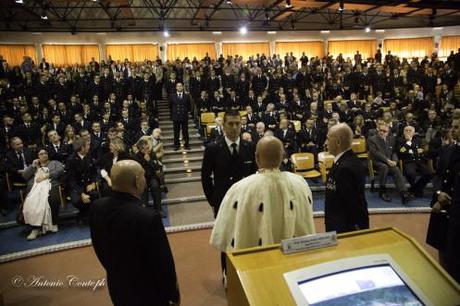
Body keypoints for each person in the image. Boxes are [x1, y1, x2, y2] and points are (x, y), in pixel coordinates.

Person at [89, 160, 180, 306]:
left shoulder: (97, 207)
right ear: (137, 181)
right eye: (143, 175)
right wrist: (173, 295)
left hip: (117, 287)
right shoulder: (148, 217)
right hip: (149, 294)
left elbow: (98, 245)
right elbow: (163, 263)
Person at [210, 136, 315, 252]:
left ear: (256, 157)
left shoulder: (240, 189)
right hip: (295, 260)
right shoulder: (300, 183)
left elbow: (223, 237)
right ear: (283, 156)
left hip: (255, 261)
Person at [202, 110, 257, 218]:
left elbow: (253, 173)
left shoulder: (250, 146)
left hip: (245, 199)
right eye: (231, 124)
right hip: (223, 199)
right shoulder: (213, 148)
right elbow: (205, 177)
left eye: (237, 123)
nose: (234, 127)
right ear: (224, 125)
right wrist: (213, 199)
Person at [324, 123, 369, 233]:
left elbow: (355, 203)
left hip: (345, 229)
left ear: (338, 142)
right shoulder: (344, 161)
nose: (325, 143)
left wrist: (358, 229)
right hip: (339, 224)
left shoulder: (346, 168)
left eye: (328, 139)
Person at [22, 148, 64, 240]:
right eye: (41, 154)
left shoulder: (54, 163)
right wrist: (32, 166)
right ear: (37, 156)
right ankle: (35, 229)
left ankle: (53, 223)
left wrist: (46, 175)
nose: (44, 155)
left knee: (52, 199)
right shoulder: (35, 165)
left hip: (51, 184)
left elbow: (60, 170)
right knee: (31, 202)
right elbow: (25, 176)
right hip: (36, 187)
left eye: (45, 153)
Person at [368, 122, 411, 204]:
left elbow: (394, 152)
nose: (382, 132)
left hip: (389, 161)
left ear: (388, 132)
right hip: (377, 161)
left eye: (385, 131)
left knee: (395, 169)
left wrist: (394, 161)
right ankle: (382, 191)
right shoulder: (372, 139)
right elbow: (375, 153)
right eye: (381, 130)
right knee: (384, 167)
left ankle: (404, 193)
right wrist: (388, 161)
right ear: (378, 130)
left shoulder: (391, 139)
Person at [65, 138, 99, 222]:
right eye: (87, 145)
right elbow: (71, 181)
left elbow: (94, 173)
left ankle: (87, 215)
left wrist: (93, 183)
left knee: (95, 195)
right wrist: (82, 193)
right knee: (77, 200)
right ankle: (85, 214)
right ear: (82, 148)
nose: (89, 146)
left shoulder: (89, 156)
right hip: (76, 186)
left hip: (88, 184)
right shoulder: (71, 160)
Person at [397, 126, 433, 197]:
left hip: (419, 161)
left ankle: (415, 189)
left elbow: (423, 150)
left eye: (410, 130)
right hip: (408, 161)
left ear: (413, 132)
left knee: (429, 173)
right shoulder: (399, 140)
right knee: (410, 173)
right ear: (403, 132)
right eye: (406, 130)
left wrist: (411, 151)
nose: (408, 132)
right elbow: (401, 151)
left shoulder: (418, 140)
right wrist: (408, 143)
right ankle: (417, 189)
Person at [134, 138, 164, 217]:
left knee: (155, 186)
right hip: (142, 177)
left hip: (152, 176)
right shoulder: (136, 156)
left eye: (148, 147)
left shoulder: (152, 154)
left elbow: (156, 167)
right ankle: (145, 210)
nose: (148, 149)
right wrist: (145, 161)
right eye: (146, 148)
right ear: (141, 149)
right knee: (143, 188)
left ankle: (159, 209)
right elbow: (139, 169)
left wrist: (149, 161)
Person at [170, 82, 191, 150]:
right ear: (176, 87)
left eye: (180, 86)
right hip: (176, 116)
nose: (179, 87)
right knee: (176, 132)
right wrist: (172, 115)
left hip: (184, 116)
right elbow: (170, 106)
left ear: (182, 87)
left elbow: (189, 106)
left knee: (185, 131)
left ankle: (187, 145)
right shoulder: (172, 96)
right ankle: (176, 145)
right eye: (178, 86)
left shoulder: (187, 96)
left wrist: (186, 113)